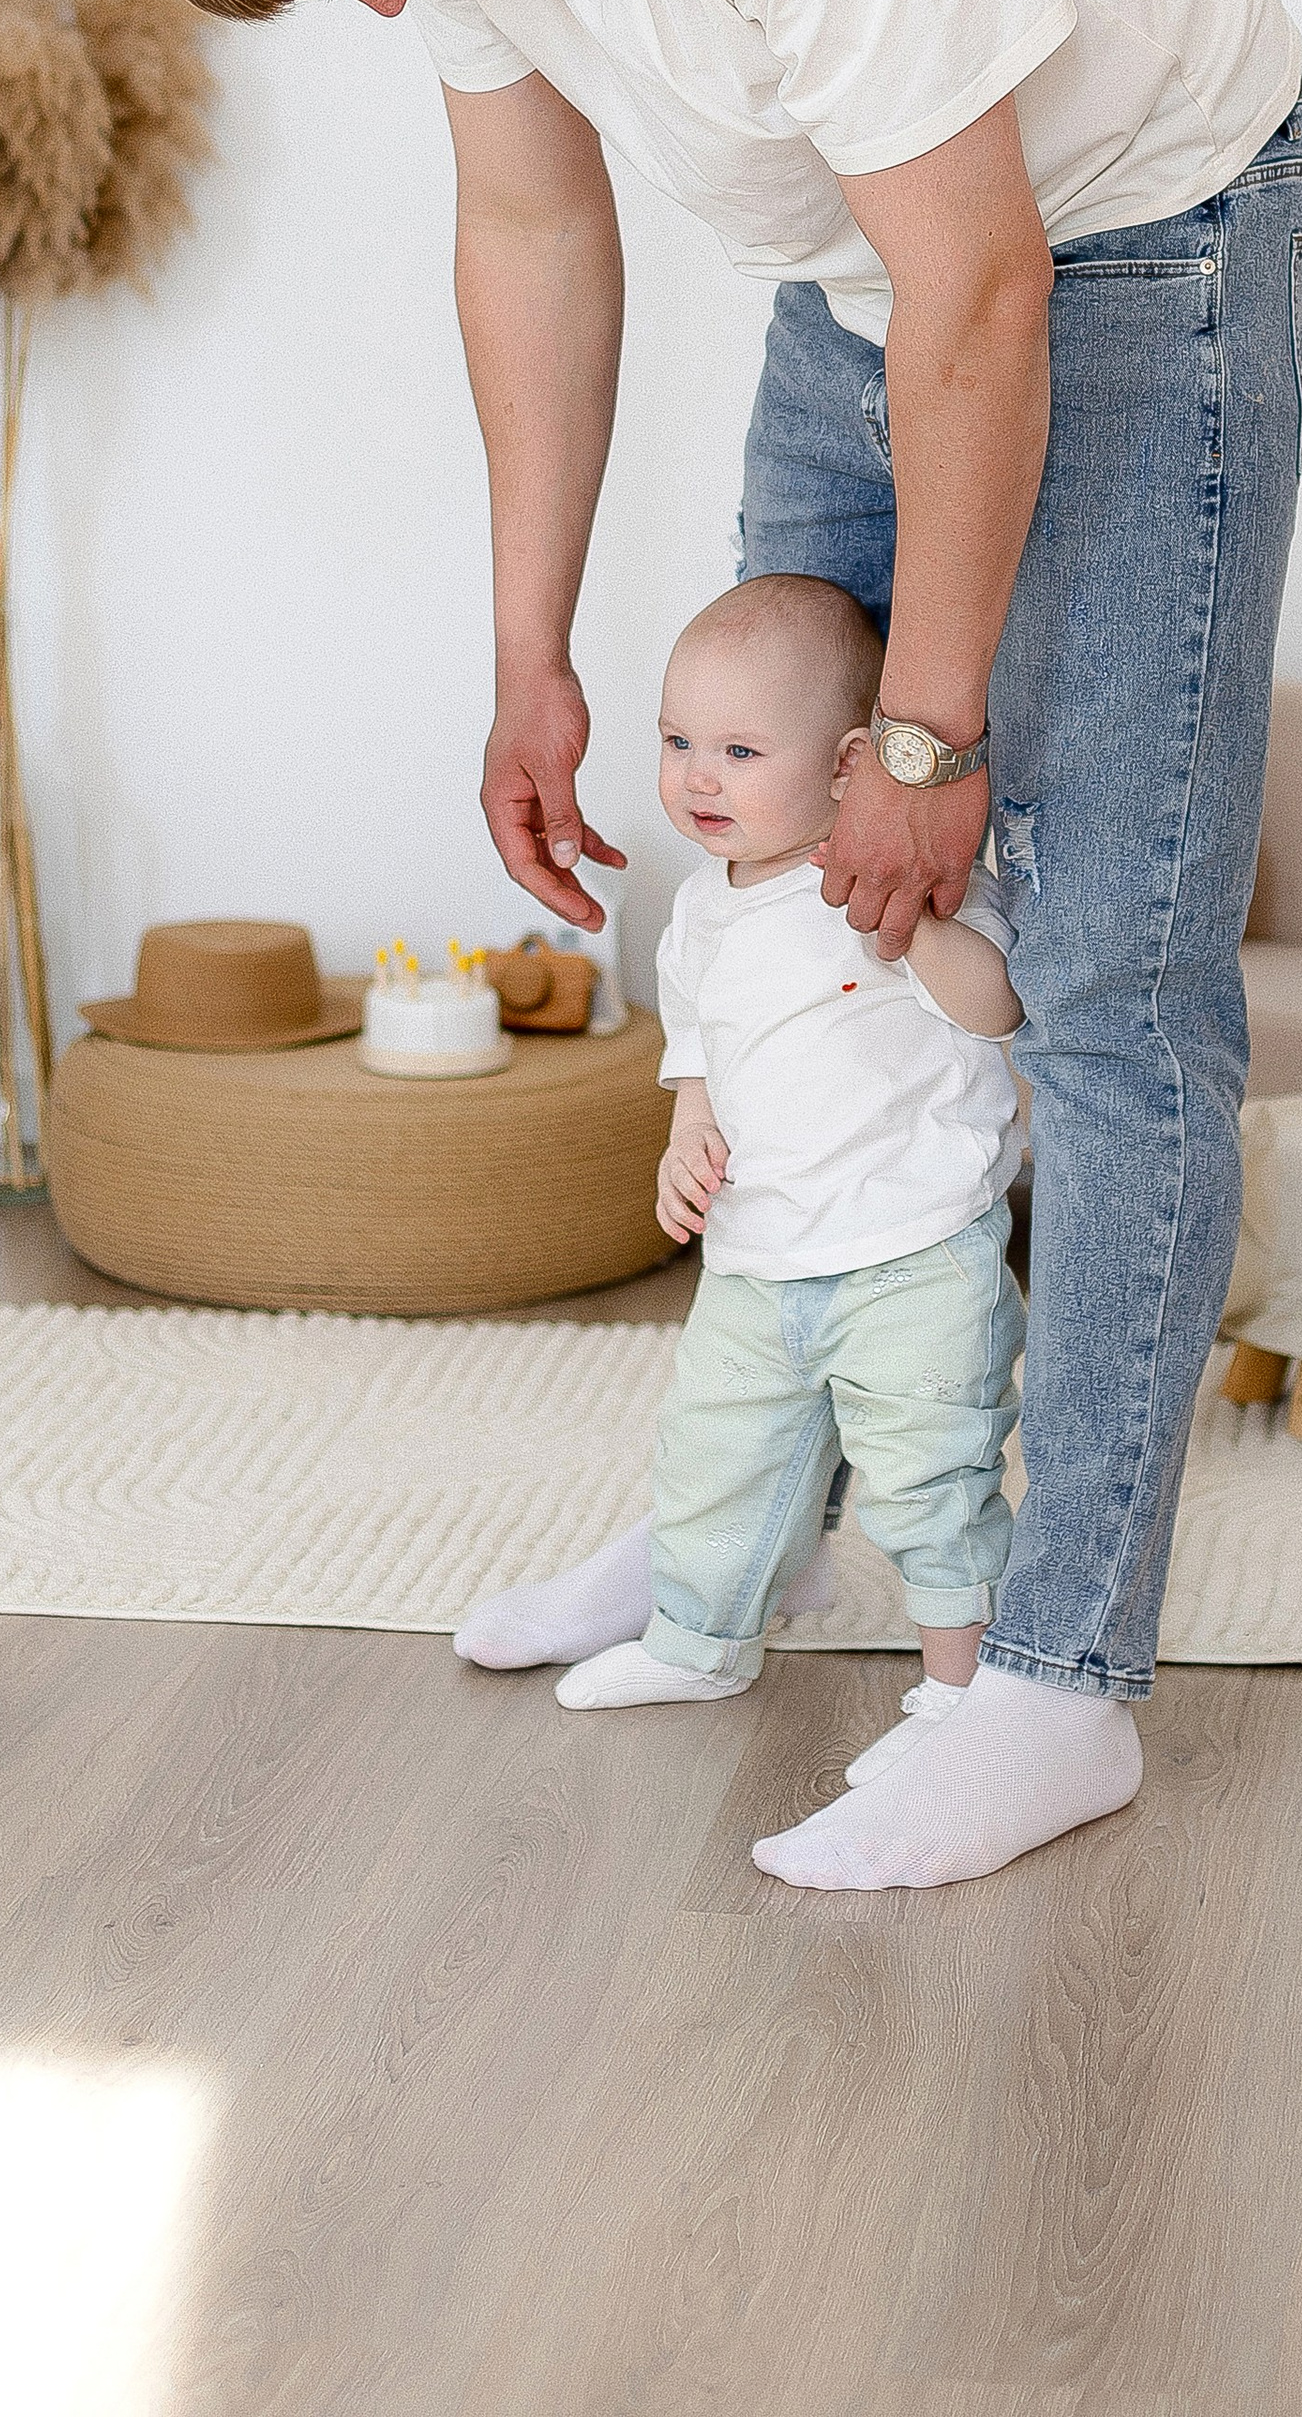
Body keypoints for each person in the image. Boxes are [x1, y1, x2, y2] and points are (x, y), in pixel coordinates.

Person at [89, 0, 1302, 1891]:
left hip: (1135, 248)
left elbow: (990, 284)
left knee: (1099, 985)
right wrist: (527, 651)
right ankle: (733, 1541)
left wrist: (926, 739)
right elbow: (529, 225)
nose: (393, 1)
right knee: (780, 902)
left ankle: (1054, 1683)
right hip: (863, 284)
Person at [460, 571, 1030, 1777]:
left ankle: (960, 1690)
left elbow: (995, 1009)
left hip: (911, 1249)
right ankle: (698, 1640)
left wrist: (912, 927)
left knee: (929, 1476)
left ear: (849, 766)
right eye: (676, 743)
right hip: (757, 1257)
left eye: (737, 751)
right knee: (714, 1459)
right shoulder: (699, 909)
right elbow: (700, 1045)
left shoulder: (894, 880)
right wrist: (687, 1133)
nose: (697, 779)